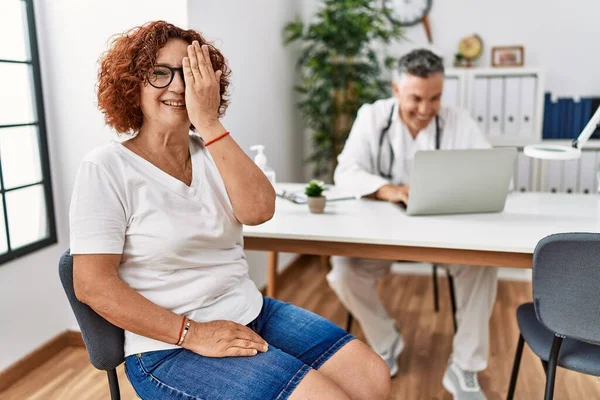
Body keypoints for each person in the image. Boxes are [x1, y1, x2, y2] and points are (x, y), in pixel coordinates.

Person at [70, 21, 390, 400]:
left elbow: (260, 211)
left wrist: (208, 122)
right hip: (167, 346)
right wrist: (193, 333)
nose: (177, 86)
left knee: (372, 378)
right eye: (160, 73)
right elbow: (92, 285)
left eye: (190, 74)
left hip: (250, 310)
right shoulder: (106, 168)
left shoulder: (212, 150)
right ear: (132, 84)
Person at [326, 49, 497, 400]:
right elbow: (346, 172)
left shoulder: (457, 120)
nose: (425, 109)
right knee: (342, 271)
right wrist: (389, 190)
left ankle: (464, 366)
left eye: (434, 98)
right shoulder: (372, 117)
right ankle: (386, 339)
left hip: (444, 237)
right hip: (382, 237)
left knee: (482, 267)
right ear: (395, 89)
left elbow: (491, 173)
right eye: (415, 98)